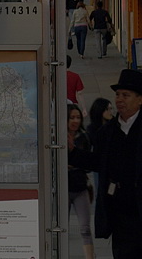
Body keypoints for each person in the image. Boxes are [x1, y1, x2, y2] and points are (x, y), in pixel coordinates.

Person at [69, 69, 142, 257]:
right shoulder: (107, 132)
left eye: (126, 95)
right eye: (117, 95)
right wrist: (73, 152)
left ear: (140, 100)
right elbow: (98, 161)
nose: (119, 100)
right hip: (120, 215)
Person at [68, 103, 96, 259]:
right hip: (63, 187)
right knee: (61, 228)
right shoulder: (57, 136)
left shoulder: (83, 137)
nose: (75, 121)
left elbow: (89, 163)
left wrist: (75, 163)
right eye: (72, 117)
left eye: (78, 117)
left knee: (85, 228)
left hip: (80, 186)